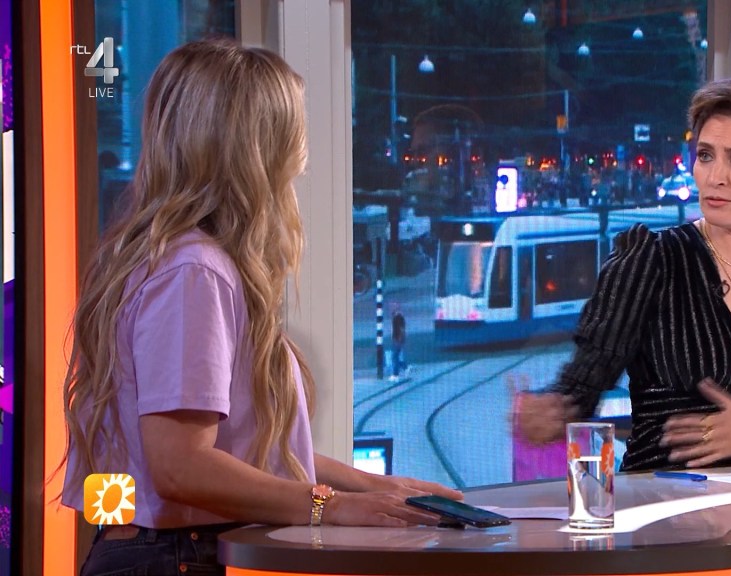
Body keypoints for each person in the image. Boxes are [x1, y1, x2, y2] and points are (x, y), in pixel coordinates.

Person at [59, 40, 461, 576]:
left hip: (159, 551)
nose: (301, 156)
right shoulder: (194, 271)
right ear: (256, 148)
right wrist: (329, 507)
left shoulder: (177, 260)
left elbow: (244, 453)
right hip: (173, 556)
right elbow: (179, 466)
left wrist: (373, 488)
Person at [516, 75, 731, 471]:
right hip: (666, 499)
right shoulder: (650, 261)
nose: (714, 176)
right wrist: (550, 411)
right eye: (706, 155)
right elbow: (579, 390)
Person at [390, 303, 408, 380]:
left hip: (398, 339)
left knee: (394, 356)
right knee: (395, 356)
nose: (391, 308)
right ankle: (405, 367)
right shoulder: (395, 316)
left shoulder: (398, 317)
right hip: (396, 339)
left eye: (392, 307)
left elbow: (402, 329)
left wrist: (400, 339)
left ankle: (395, 374)